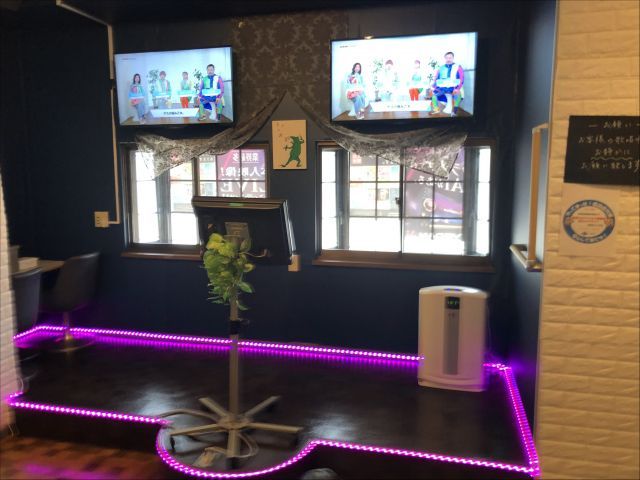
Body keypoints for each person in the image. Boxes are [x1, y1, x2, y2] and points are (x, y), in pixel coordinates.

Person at [429, 51, 464, 116]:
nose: (448, 59)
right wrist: (433, 86)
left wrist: (457, 88)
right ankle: (436, 109)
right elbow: (436, 78)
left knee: (458, 95)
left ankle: (454, 112)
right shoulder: (441, 68)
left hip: (453, 87)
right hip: (442, 88)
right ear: (445, 58)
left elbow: (461, 79)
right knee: (433, 94)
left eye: (450, 58)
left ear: (453, 58)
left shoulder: (458, 67)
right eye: (447, 58)